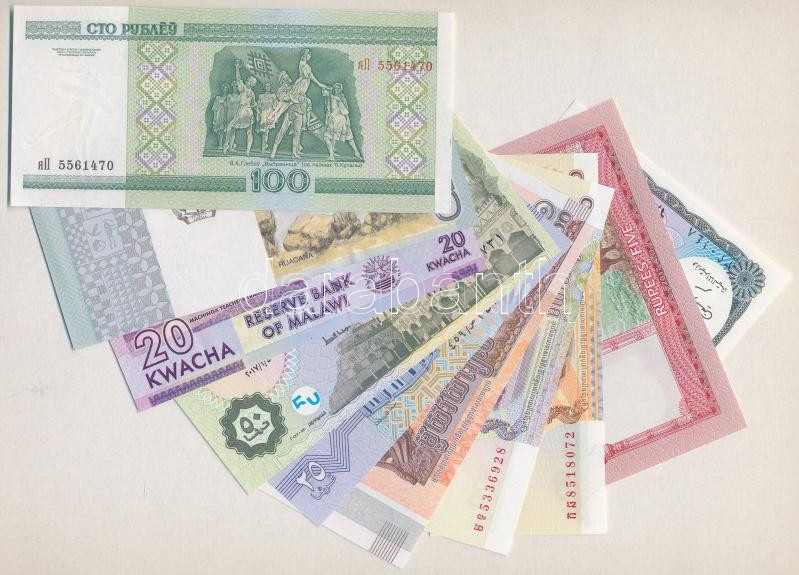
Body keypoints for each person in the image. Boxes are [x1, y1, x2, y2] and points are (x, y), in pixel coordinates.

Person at [224, 60, 257, 155]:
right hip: (249, 112)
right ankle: (248, 151)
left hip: (242, 111)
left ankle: (226, 145)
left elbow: (238, 79)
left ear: (250, 83)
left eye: (247, 80)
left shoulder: (243, 89)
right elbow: (254, 104)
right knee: (249, 131)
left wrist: (237, 68)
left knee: (230, 126)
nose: (246, 81)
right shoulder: (252, 93)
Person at [323, 83, 362, 161]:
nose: (323, 92)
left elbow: (344, 110)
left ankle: (356, 153)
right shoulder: (327, 100)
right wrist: (326, 121)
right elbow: (328, 112)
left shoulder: (337, 99)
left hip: (339, 120)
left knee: (347, 137)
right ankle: (331, 155)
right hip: (332, 120)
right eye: (336, 88)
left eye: (324, 90)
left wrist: (348, 120)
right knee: (331, 137)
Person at [256, 81, 277, 155]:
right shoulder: (261, 96)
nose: (267, 87)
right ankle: (263, 148)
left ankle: (264, 148)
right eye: (266, 86)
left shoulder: (273, 96)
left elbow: (275, 106)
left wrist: (273, 115)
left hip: (270, 114)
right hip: (263, 114)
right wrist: (259, 114)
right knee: (264, 132)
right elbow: (258, 106)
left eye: (269, 86)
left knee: (267, 132)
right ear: (264, 87)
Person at [212, 83, 229, 149]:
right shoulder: (218, 98)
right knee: (220, 130)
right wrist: (215, 117)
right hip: (220, 115)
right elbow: (215, 108)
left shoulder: (229, 97)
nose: (225, 89)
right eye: (224, 88)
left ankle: (227, 144)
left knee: (227, 130)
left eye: (226, 88)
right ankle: (220, 144)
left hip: (227, 114)